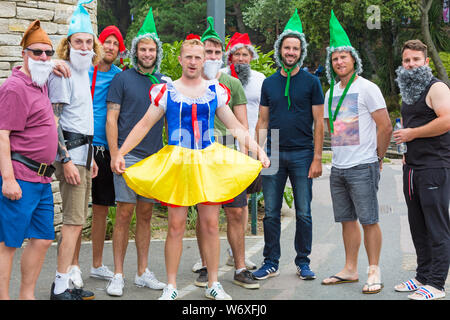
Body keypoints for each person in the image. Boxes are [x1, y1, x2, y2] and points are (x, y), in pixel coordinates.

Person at [111, 38, 270, 300]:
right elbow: (143, 125)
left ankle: (213, 283)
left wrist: (259, 150)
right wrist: (121, 153)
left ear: (204, 60)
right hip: (178, 163)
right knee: (175, 225)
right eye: (189, 57)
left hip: (208, 162)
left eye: (198, 57)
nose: (194, 62)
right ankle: (171, 285)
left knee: (210, 224)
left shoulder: (215, 90)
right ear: (181, 59)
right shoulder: (167, 90)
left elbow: (235, 126)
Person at [320, 11, 392, 294]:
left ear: (353, 59)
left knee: (369, 219)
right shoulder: (330, 93)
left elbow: (385, 127)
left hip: (364, 165)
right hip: (338, 167)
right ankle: (350, 269)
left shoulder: (367, 88)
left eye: (343, 57)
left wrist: (378, 157)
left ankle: (373, 270)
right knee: (346, 220)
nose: (339, 61)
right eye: (335, 58)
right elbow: (329, 127)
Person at [253, 9, 324, 281]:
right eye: (287, 47)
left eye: (295, 48)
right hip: (273, 150)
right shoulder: (269, 83)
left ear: (301, 51)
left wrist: (317, 158)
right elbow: (261, 120)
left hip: (304, 153)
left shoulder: (312, 82)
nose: (291, 52)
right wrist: (258, 153)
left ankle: (303, 262)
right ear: (279, 49)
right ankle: (270, 261)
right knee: (270, 212)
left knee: (303, 212)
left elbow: (319, 122)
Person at [190, 17, 259, 290]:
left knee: (236, 213)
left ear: (223, 55)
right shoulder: (189, 83)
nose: (212, 56)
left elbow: (242, 125)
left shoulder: (233, 83)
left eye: (217, 52)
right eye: (208, 51)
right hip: (200, 158)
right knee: (205, 215)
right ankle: (207, 266)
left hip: (230, 159)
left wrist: (247, 160)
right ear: (199, 53)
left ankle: (240, 267)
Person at [105, 7, 167, 297]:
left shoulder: (163, 84)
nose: (147, 54)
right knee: (124, 213)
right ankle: (117, 274)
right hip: (127, 157)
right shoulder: (122, 79)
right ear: (134, 52)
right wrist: (116, 153)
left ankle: (142, 272)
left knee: (145, 215)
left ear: (157, 53)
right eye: (142, 49)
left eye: (151, 49)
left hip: (154, 159)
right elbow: (111, 119)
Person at [0, 20, 58, 300]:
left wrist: (57, 65)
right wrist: (8, 179)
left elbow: (51, 67)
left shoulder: (40, 81)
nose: (44, 58)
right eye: (37, 52)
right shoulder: (14, 88)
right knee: (8, 243)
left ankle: (26, 295)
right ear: (24, 53)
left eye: (49, 53)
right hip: (20, 176)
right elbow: (2, 136)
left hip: (43, 178)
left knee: (44, 238)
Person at [47, 0, 100, 300]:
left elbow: (82, 118)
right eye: (77, 41)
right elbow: (54, 122)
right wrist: (65, 159)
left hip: (84, 156)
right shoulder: (62, 71)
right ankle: (59, 287)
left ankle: (66, 282)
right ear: (68, 44)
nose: (83, 46)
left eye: (87, 41)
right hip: (71, 157)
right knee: (72, 222)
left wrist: (89, 159)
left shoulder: (83, 70)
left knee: (78, 221)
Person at [393, 39, 450, 300]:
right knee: (418, 226)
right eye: (407, 60)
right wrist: (406, 153)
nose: (411, 64)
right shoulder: (409, 89)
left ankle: (437, 284)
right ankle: (422, 277)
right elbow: (409, 122)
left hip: (434, 166)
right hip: (412, 167)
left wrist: (412, 134)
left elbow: (447, 120)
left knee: (437, 227)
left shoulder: (436, 87)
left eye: (416, 59)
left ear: (426, 61)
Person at [221, 32, 266, 287]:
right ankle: (208, 261)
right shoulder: (221, 78)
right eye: (236, 54)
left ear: (251, 56)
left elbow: (264, 114)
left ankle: (234, 254)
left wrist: (258, 148)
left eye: (245, 54)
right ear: (230, 57)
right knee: (217, 205)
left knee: (242, 204)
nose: (241, 58)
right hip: (222, 146)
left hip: (249, 147)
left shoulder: (260, 80)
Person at [87, 25, 126, 281]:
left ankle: (97, 264)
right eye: (106, 41)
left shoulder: (119, 75)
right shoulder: (84, 71)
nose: (110, 46)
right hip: (83, 145)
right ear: (98, 44)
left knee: (101, 208)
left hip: (106, 148)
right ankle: (70, 267)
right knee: (77, 212)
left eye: (115, 43)